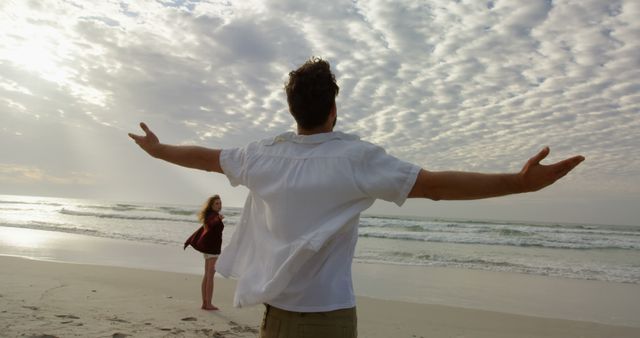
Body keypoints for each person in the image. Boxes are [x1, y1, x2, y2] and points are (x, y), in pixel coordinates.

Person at [129, 57, 584, 338]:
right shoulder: (355, 158)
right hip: (329, 319)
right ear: (333, 109)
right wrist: (517, 183)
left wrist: (158, 150)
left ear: (293, 110)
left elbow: (206, 158)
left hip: (274, 320)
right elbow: (436, 187)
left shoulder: (262, 156)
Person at [184, 195, 225, 310]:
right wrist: (218, 219)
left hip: (209, 249)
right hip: (212, 250)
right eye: (217, 203)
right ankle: (208, 304)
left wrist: (218, 219)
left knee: (207, 275)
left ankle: (205, 303)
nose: (219, 205)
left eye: (220, 203)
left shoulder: (210, 215)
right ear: (211, 205)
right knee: (210, 276)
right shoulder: (213, 216)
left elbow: (209, 226)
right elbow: (211, 224)